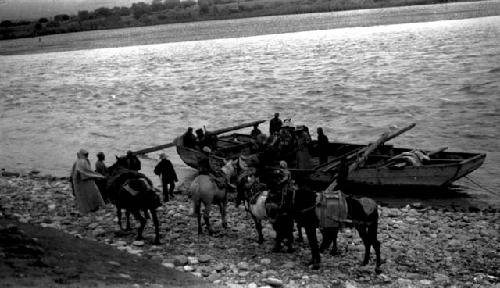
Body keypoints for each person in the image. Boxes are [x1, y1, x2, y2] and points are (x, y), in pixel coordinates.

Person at [70, 149, 105, 214]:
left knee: (83, 197)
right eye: (86, 155)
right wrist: (98, 176)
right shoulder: (82, 161)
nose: (87, 156)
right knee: (91, 194)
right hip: (84, 181)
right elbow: (85, 172)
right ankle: (91, 209)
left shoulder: (78, 161)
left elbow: (72, 173)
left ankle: (87, 209)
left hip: (78, 182)